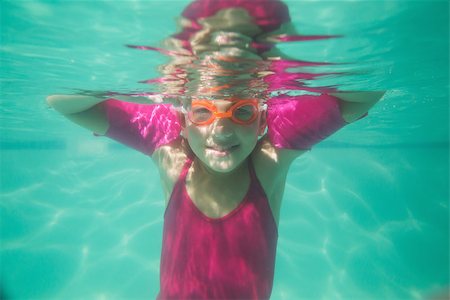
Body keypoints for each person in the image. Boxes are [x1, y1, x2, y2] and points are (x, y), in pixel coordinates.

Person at [47, 0, 384, 299]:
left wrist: (284, 60)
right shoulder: (170, 149)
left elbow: (368, 91)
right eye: (203, 112)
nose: (221, 130)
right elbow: (62, 103)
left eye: (242, 111)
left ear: (261, 119)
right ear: (184, 116)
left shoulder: (270, 157)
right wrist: (146, 86)